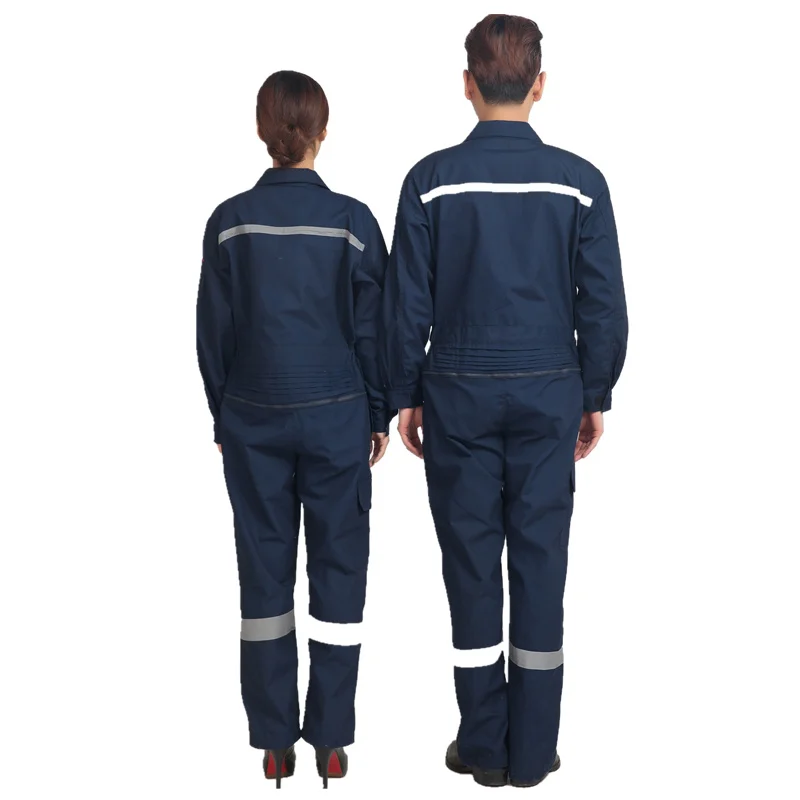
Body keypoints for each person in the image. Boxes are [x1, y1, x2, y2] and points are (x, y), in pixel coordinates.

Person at [381, 15, 628, 788]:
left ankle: (484, 746)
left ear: (467, 84)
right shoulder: (580, 182)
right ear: (539, 84)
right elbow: (603, 305)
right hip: (551, 390)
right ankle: (532, 749)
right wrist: (594, 390)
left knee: (471, 567)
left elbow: (404, 305)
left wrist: (404, 393)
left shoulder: (430, 181)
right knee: (541, 563)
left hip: (456, 393)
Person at [196, 70, 390, 788]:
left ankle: (274, 741)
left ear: (261, 130)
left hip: (252, 419)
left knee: (264, 577)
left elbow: (213, 332)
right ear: (323, 133)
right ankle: (331, 741)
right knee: (339, 574)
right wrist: (378, 412)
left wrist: (224, 412)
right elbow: (375, 331)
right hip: (338, 419)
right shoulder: (354, 222)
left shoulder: (229, 222)